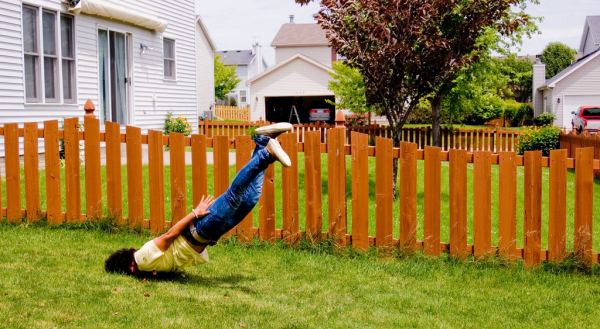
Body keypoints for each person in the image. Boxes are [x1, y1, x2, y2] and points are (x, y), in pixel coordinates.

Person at [104, 123, 293, 277]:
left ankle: (266, 154)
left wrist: (195, 213)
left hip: (200, 229)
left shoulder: (142, 259)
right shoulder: (149, 265)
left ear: (127, 267)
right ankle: (262, 141)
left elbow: (169, 235)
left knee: (234, 197)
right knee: (249, 199)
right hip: (208, 234)